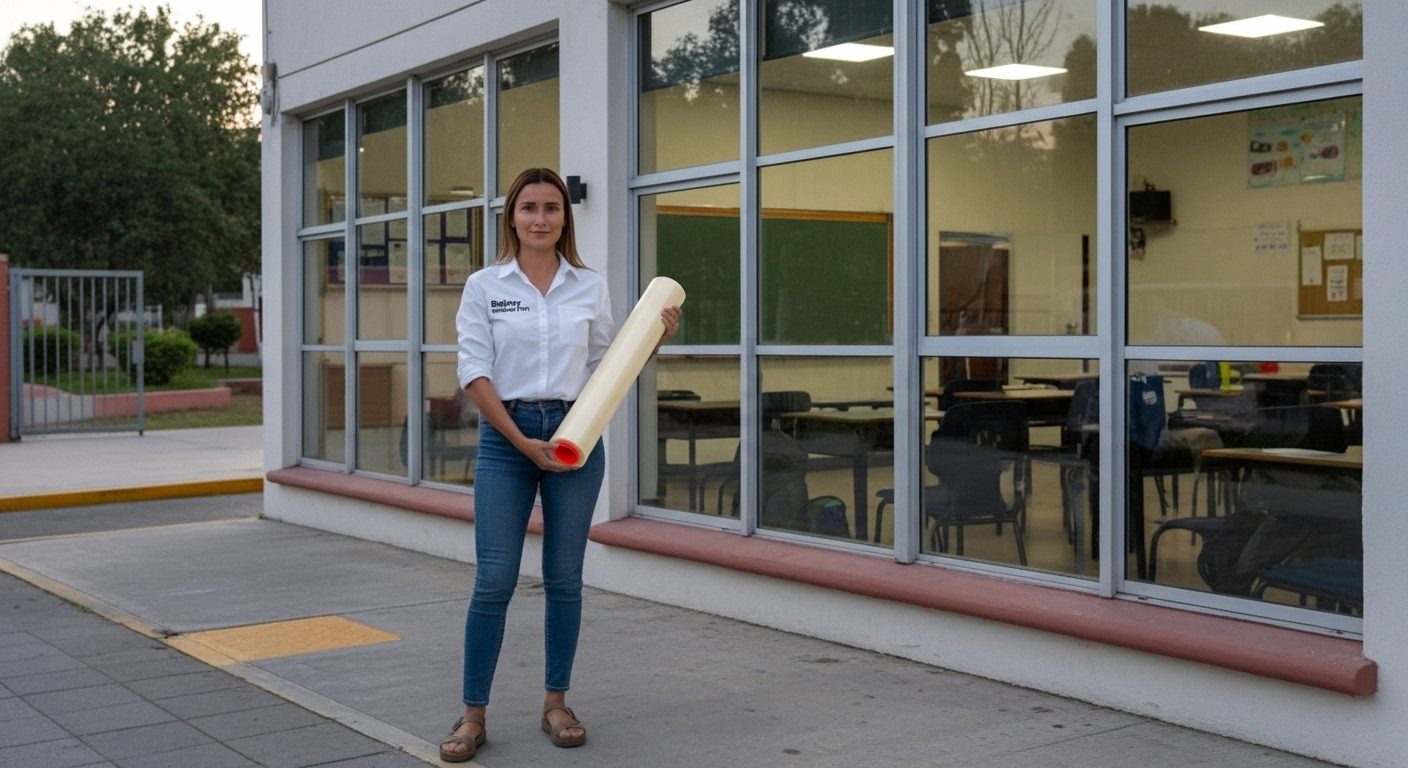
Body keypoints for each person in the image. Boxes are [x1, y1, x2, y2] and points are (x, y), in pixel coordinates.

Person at [439, 167, 681, 762]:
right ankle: (472, 716)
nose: (541, 218)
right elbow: (473, 372)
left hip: (577, 435)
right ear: (512, 217)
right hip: (506, 440)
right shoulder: (484, 286)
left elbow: (608, 367)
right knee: (493, 579)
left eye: (552, 208)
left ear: (564, 218)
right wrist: (521, 440)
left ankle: (556, 703)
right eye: (530, 208)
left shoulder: (588, 286)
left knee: (565, 581)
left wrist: (653, 340)